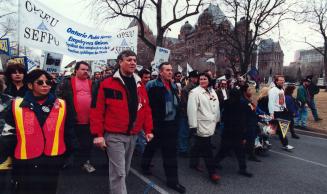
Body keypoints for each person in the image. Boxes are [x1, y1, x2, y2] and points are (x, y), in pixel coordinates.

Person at [4, 69, 77, 194]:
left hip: (52, 159)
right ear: (30, 85)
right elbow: (8, 134)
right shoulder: (15, 105)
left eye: (48, 82)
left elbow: (69, 130)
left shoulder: (62, 105)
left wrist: (69, 154)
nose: (45, 85)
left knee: (49, 190)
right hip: (25, 160)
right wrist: (9, 156)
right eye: (40, 82)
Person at [90, 50, 153, 194]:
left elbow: (146, 108)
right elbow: (96, 110)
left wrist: (148, 130)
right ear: (120, 62)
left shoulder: (139, 84)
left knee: (124, 170)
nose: (133, 63)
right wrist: (98, 134)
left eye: (134, 60)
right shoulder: (106, 83)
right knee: (119, 173)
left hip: (133, 135)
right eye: (129, 60)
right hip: (114, 135)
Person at [141, 62, 186, 194]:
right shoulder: (152, 85)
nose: (170, 72)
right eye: (167, 70)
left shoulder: (172, 85)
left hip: (170, 125)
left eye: (171, 70)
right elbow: (146, 105)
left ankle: (173, 181)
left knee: (170, 154)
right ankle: (144, 165)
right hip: (156, 124)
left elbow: (175, 104)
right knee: (151, 146)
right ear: (160, 72)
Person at [56, 61, 96, 172]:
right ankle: (67, 161)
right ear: (76, 70)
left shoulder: (92, 83)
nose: (85, 72)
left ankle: (85, 162)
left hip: (88, 121)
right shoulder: (67, 82)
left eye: (87, 70)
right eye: (83, 69)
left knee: (87, 144)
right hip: (71, 119)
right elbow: (58, 98)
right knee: (70, 142)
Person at [187, 73, 221, 183]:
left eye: (205, 79)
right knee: (207, 150)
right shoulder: (194, 92)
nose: (202, 81)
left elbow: (216, 106)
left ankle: (193, 162)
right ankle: (212, 172)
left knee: (198, 145)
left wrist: (217, 119)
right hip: (201, 124)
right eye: (200, 79)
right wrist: (193, 126)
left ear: (209, 80)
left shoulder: (212, 91)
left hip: (211, 123)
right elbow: (191, 110)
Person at [215, 89, 253, 177]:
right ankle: (242, 169)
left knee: (224, 150)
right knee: (240, 151)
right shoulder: (243, 104)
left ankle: (215, 162)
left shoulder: (226, 103)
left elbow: (222, 115)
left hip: (228, 130)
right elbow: (245, 119)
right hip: (238, 131)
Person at [268, 75, 294, 151]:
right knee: (280, 129)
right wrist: (271, 113)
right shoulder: (273, 90)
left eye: (283, 80)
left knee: (276, 129)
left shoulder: (282, 90)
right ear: (276, 81)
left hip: (281, 111)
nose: (283, 81)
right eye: (281, 80)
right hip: (276, 112)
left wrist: (285, 108)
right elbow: (271, 103)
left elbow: (282, 101)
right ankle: (285, 144)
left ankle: (265, 140)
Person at [178, 70, 199, 156]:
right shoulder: (186, 89)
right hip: (186, 113)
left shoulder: (197, 88)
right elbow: (184, 103)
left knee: (190, 132)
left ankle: (185, 148)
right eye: (194, 77)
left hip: (193, 113)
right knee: (184, 132)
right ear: (190, 78)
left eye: (196, 78)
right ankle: (183, 150)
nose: (196, 79)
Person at [240, 84, 261, 162]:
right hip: (247, 124)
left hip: (251, 122)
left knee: (251, 140)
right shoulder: (243, 101)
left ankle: (251, 154)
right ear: (244, 92)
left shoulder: (248, 99)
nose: (251, 92)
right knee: (246, 139)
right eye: (249, 90)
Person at [135, 68, 152, 154]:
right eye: (145, 77)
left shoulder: (145, 87)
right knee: (142, 138)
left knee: (141, 138)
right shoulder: (137, 87)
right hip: (137, 119)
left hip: (143, 118)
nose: (148, 79)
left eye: (149, 77)